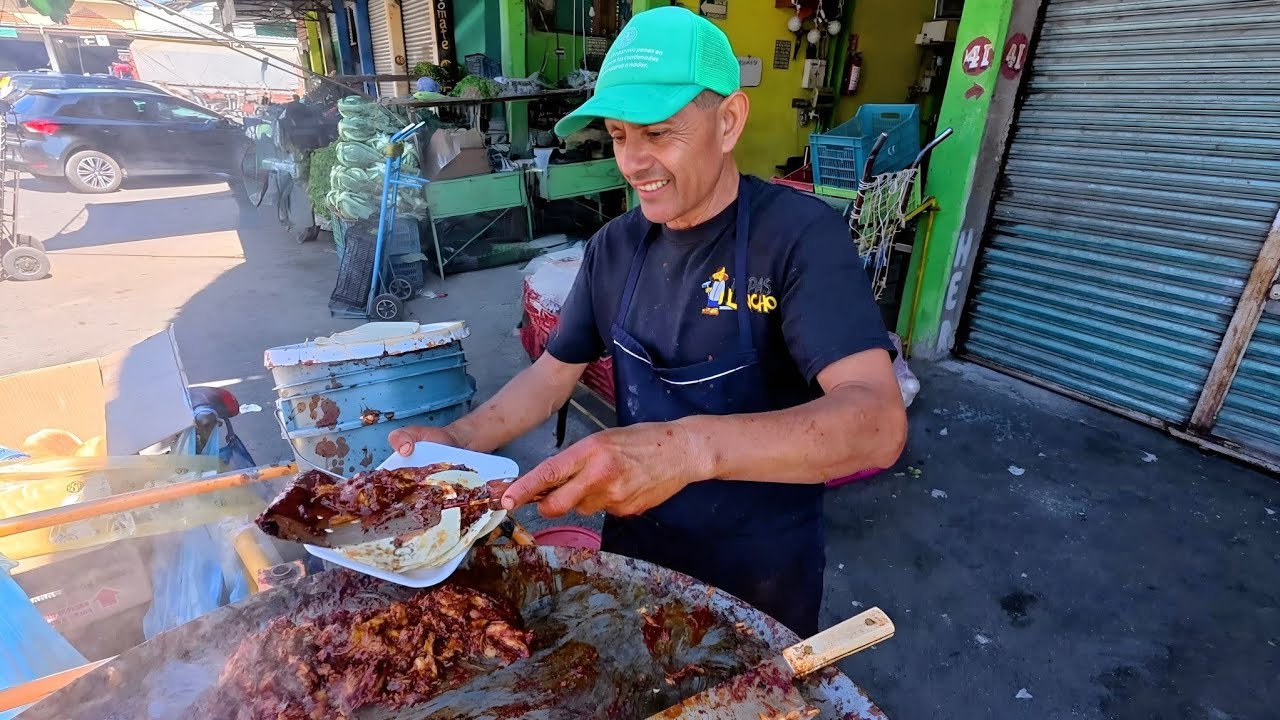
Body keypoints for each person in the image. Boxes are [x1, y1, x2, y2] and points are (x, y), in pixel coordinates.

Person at [389, 6, 906, 635]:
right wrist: (463, 439)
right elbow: (552, 376)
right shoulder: (614, 247)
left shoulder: (800, 239)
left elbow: (877, 423)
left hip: (761, 573)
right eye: (617, 135)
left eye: (658, 133)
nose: (632, 162)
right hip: (637, 560)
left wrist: (688, 449)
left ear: (729, 122)